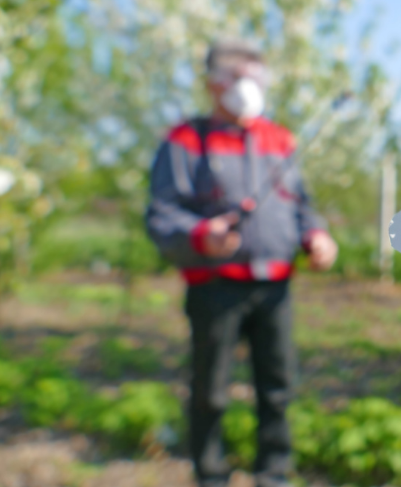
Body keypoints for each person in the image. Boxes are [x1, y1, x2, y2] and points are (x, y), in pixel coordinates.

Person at [145, 38, 337, 487]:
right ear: (214, 83)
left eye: (256, 74)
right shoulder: (186, 140)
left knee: (278, 386)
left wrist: (317, 233)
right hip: (215, 286)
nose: (250, 84)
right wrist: (200, 234)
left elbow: (301, 204)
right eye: (238, 75)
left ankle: (273, 473)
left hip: (275, 286)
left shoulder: (279, 138)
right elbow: (162, 213)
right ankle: (210, 474)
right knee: (210, 390)